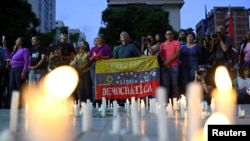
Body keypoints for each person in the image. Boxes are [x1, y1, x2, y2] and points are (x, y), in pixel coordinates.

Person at [88, 34, 112, 103]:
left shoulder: (106, 47)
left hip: (103, 67)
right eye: (97, 38)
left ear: (103, 40)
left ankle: (104, 100)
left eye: (99, 38)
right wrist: (93, 57)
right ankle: (95, 100)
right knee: (94, 83)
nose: (98, 40)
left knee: (103, 82)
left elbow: (109, 56)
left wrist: (101, 57)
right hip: (94, 66)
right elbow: (89, 59)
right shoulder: (93, 48)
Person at [159, 29, 181, 101]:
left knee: (174, 84)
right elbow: (161, 55)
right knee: (166, 84)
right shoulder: (162, 44)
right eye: (167, 34)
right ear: (165, 36)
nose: (169, 35)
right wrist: (165, 62)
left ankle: (175, 101)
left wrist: (168, 61)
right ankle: (166, 101)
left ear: (173, 35)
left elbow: (177, 53)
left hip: (174, 65)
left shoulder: (176, 42)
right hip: (164, 66)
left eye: (170, 34)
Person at [9, 37, 30, 108]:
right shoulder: (16, 50)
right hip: (13, 69)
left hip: (19, 70)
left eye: (17, 40)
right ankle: (14, 104)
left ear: (21, 42)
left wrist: (24, 72)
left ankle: (21, 105)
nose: (16, 41)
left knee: (20, 87)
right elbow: (9, 56)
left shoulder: (25, 50)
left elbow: (26, 62)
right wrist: (5, 46)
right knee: (12, 86)